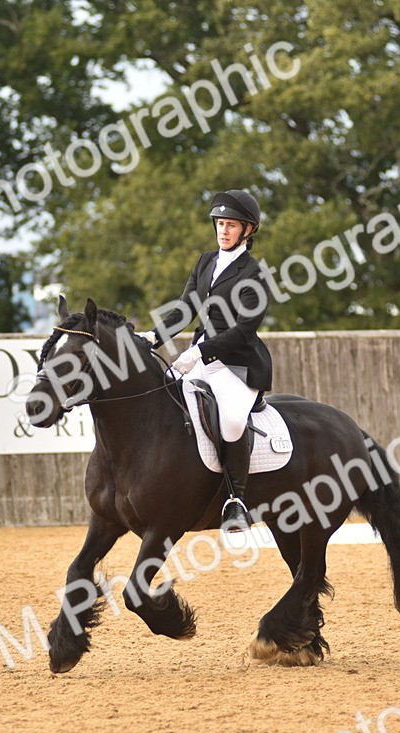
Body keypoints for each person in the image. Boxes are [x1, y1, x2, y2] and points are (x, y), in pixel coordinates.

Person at [143, 190, 273, 534]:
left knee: (230, 421)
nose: (223, 230)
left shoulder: (255, 274)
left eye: (231, 225)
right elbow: (185, 309)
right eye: (219, 224)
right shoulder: (205, 262)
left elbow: (244, 330)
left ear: (248, 230)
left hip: (238, 364)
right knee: (164, 401)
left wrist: (199, 352)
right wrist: (152, 337)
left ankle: (236, 501)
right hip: (199, 355)